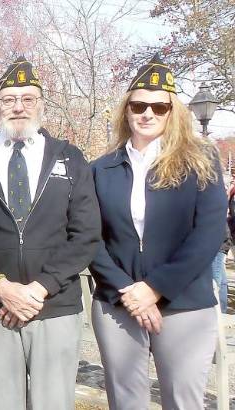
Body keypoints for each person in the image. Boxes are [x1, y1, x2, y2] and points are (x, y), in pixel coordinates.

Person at [0, 56, 101, 410]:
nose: (18, 107)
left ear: (41, 104)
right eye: (9, 99)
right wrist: (1, 287)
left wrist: (37, 290)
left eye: (28, 98)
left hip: (54, 306)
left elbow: (85, 234)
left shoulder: (70, 159)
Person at [89, 53, 225, 409]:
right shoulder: (101, 169)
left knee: (183, 401)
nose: (147, 113)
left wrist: (155, 288)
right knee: (126, 402)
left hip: (184, 304)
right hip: (118, 302)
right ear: (126, 110)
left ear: (173, 111)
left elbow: (209, 232)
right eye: (138, 105)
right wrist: (127, 290)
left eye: (159, 107)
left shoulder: (201, 159)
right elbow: (90, 237)